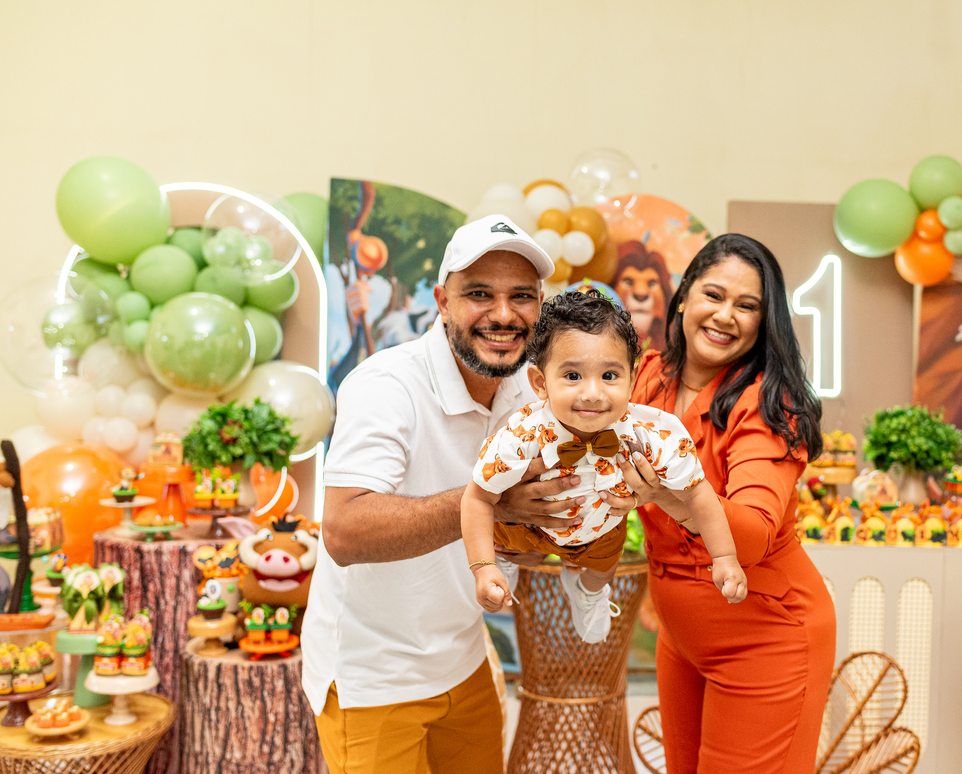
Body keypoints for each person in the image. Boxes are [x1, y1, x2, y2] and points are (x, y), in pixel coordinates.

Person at [303, 215, 589, 774]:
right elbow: (343, 531)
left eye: (522, 297)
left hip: (464, 660)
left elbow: (517, 541)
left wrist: (550, 530)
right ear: (442, 300)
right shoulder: (387, 386)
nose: (504, 315)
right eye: (479, 294)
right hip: (374, 676)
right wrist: (493, 501)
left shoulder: (528, 392)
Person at [602, 233, 836, 773]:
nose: (725, 314)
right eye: (713, 294)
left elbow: (749, 536)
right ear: (684, 297)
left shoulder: (767, 404)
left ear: (764, 321)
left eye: (746, 305)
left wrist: (667, 489)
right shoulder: (648, 376)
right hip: (681, 638)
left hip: (767, 639)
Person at [460, 292, 747, 643]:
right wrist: (483, 565)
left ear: (633, 375)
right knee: (502, 536)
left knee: (603, 567)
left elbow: (698, 491)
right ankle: (503, 563)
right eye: (572, 376)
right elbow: (477, 498)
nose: (593, 393)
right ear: (540, 383)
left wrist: (724, 556)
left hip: (599, 529)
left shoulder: (649, 431)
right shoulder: (524, 433)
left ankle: (588, 593)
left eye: (610, 374)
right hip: (527, 526)